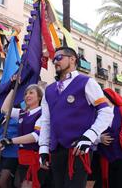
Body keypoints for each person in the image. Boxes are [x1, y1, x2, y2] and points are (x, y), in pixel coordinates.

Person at [38, 46, 113, 188]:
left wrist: (89, 136)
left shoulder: (87, 82)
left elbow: (106, 112)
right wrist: (43, 148)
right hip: (56, 149)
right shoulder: (49, 90)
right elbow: (46, 121)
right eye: (54, 59)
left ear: (72, 59)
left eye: (59, 58)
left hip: (78, 148)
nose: (55, 62)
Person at [0, 84, 51, 188]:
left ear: (40, 97)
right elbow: (4, 109)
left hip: (36, 158)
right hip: (23, 158)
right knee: (19, 185)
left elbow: (35, 136)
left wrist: (11, 141)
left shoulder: (43, 113)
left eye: (31, 93)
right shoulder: (23, 113)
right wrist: (13, 88)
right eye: (26, 93)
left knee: (27, 185)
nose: (27, 95)